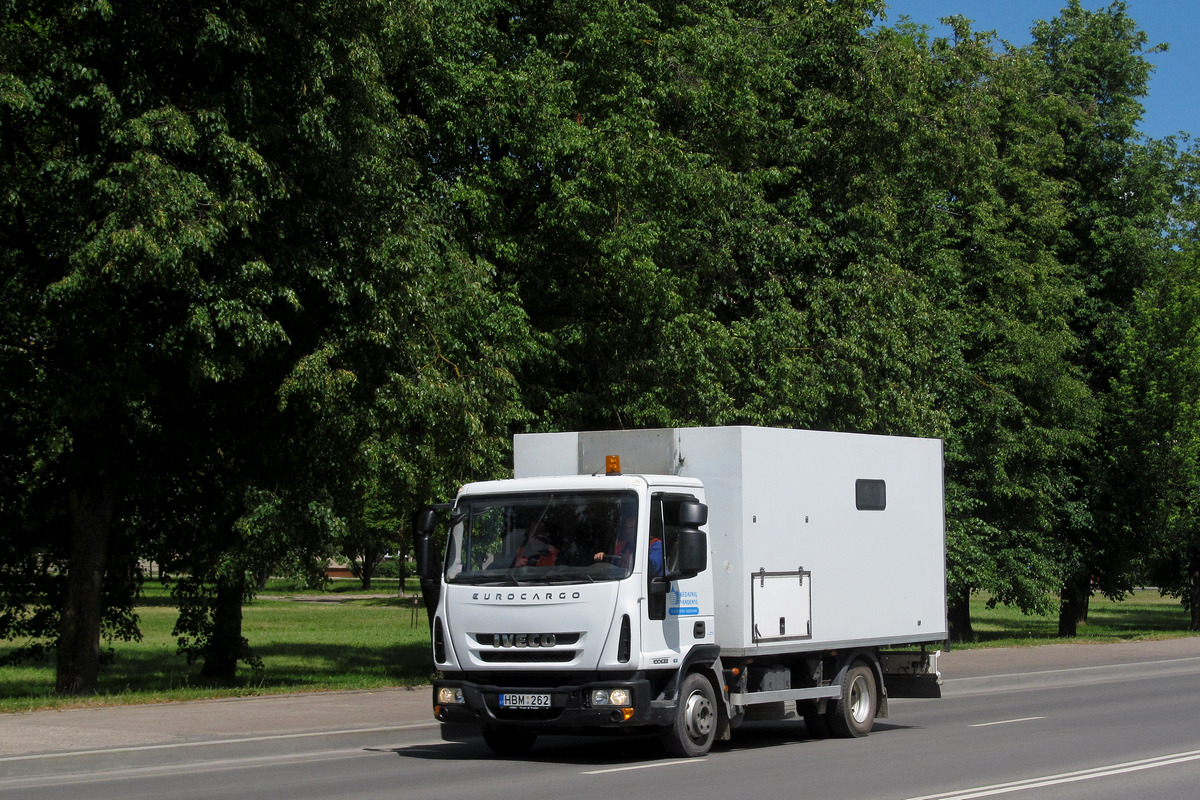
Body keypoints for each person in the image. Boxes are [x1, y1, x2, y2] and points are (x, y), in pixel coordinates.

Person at [595, 514, 663, 575]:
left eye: (632, 528)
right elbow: (612, 563)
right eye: (626, 528)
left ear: (639, 529)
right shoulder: (621, 545)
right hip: (621, 578)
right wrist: (603, 556)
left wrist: (631, 560)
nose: (629, 531)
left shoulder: (655, 545)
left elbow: (652, 568)